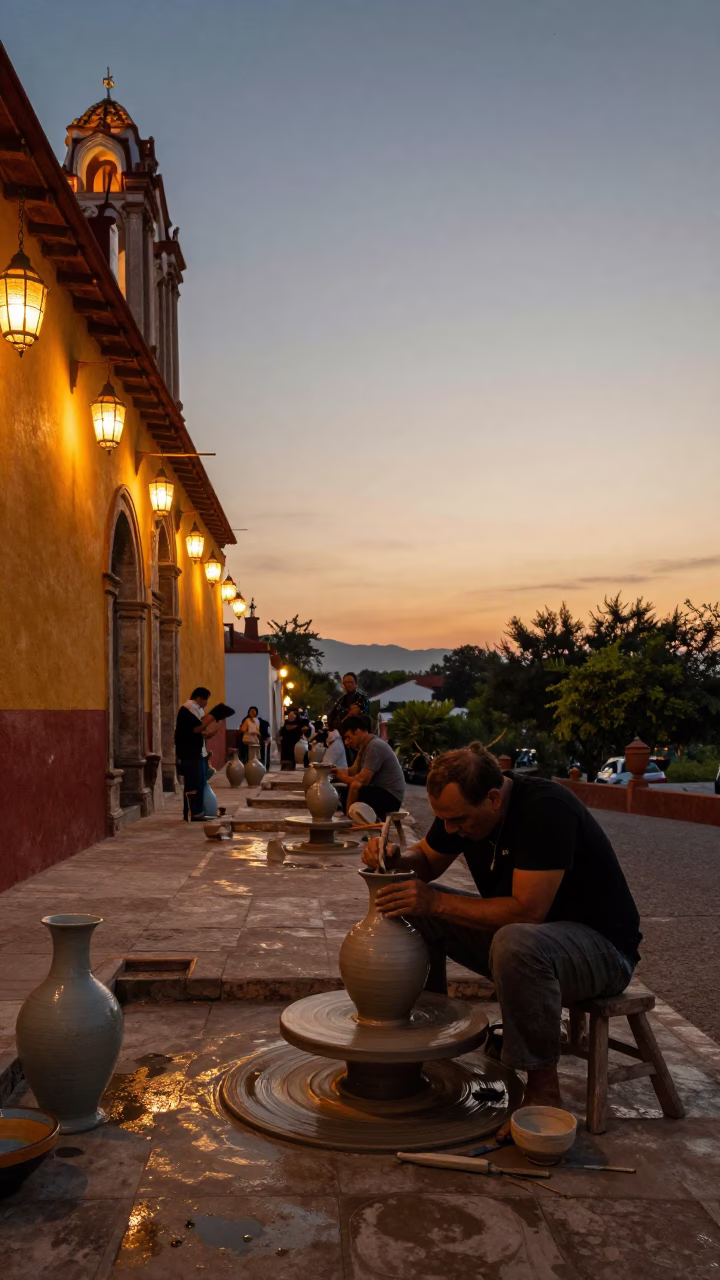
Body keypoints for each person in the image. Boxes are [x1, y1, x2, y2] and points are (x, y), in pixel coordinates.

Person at [362, 742, 641, 1119]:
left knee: (515, 939)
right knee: (409, 903)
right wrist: (397, 858)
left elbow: (528, 911)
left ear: (494, 798)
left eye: (458, 820)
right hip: (534, 943)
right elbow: (426, 859)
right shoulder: (462, 811)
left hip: (602, 951)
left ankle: (543, 1090)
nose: (450, 829)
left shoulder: (545, 809)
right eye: (444, 820)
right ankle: (430, 1041)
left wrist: (437, 902)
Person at [334, 713, 405, 819]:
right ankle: (351, 818)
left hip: (391, 798)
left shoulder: (374, 746)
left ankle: (349, 820)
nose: (346, 742)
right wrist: (336, 771)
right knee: (344, 790)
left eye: (348, 737)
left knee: (354, 787)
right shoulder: (364, 746)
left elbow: (362, 780)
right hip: (379, 792)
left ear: (357, 731)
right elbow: (353, 770)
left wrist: (342, 777)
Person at [175, 687, 216, 821]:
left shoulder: (196, 709)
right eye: (206, 700)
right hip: (190, 753)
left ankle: (197, 810)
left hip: (198, 752)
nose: (206, 704)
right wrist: (211, 718)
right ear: (199, 698)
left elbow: (199, 731)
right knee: (193, 783)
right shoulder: (188, 708)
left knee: (199, 782)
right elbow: (196, 728)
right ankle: (193, 812)